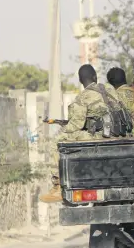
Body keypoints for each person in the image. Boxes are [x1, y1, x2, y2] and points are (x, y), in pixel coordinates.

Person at [40, 64, 122, 203]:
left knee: (56, 142)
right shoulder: (109, 89)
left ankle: (57, 186)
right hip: (120, 133)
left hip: (101, 136)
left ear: (80, 80)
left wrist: (64, 127)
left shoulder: (82, 97)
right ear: (95, 77)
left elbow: (75, 126)